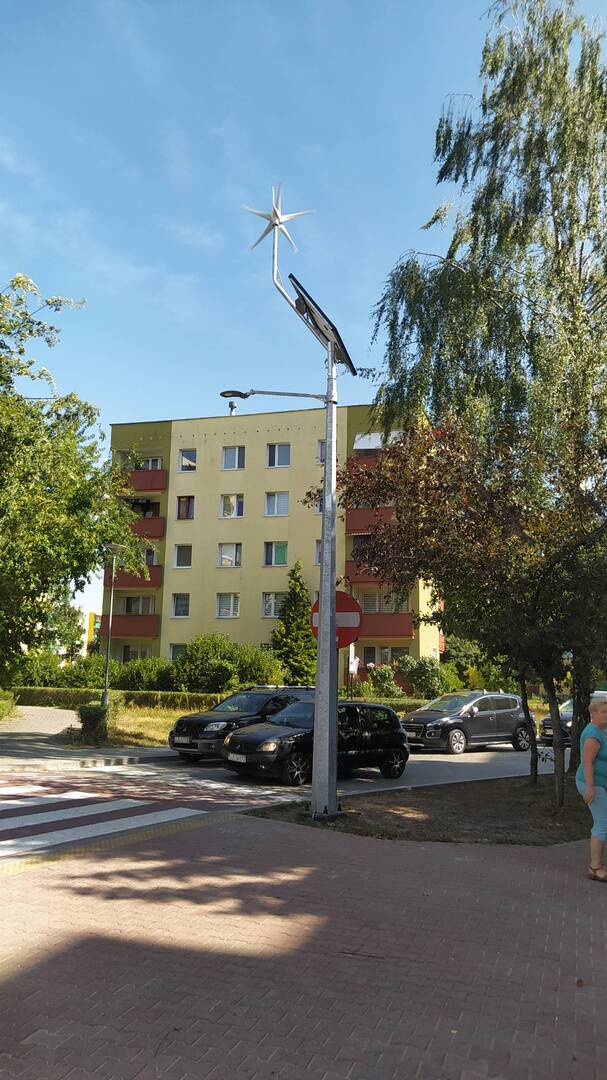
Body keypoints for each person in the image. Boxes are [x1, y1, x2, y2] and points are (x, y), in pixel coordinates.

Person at [576, 698, 607, 882]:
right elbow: (587, 762)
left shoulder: (602, 731)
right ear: (593, 714)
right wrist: (590, 788)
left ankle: (599, 864)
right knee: (602, 823)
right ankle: (594, 867)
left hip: (601, 783)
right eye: (604, 712)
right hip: (592, 783)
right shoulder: (592, 735)